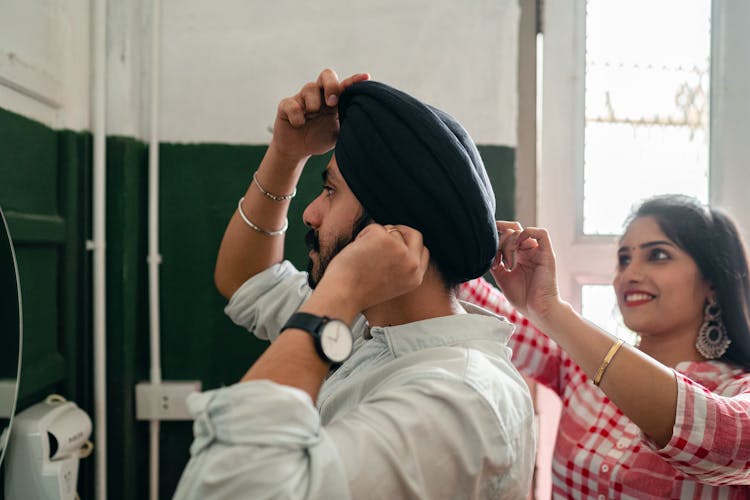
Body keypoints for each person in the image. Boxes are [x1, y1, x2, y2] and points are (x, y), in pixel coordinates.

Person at [172, 69, 536, 499]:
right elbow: (247, 281)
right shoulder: (375, 327)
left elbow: (233, 486)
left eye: (330, 191)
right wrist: (286, 154)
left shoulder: (459, 399)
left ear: (391, 227)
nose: (310, 213)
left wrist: (340, 291)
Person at [460, 194, 750, 498]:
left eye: (658, 256)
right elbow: (486, 309)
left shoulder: (737, 389)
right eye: (624, 259)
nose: (629, 275)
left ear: (712, 283)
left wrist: (552, 310)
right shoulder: (579, 365)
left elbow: (726, 442)